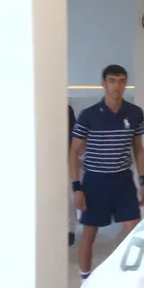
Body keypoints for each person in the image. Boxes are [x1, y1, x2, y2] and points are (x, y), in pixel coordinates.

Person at [69, 64, 144, 280]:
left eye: (121, 81)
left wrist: (142, 182)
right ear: (104, 84)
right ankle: (86, 279)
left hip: (123, 181)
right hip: (95, 181)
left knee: (135, 230)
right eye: (112, 81)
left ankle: (128, 278)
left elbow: (138, 149)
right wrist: (77, 188)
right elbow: (74, 151)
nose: (117, 86)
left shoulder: (134, 113)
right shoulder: (88, 115)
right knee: (89, 233)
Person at [68, 104, 77, 246]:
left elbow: (74, 135)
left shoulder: (67, 110)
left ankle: (69, 230)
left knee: (68, 197)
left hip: (66, 159)